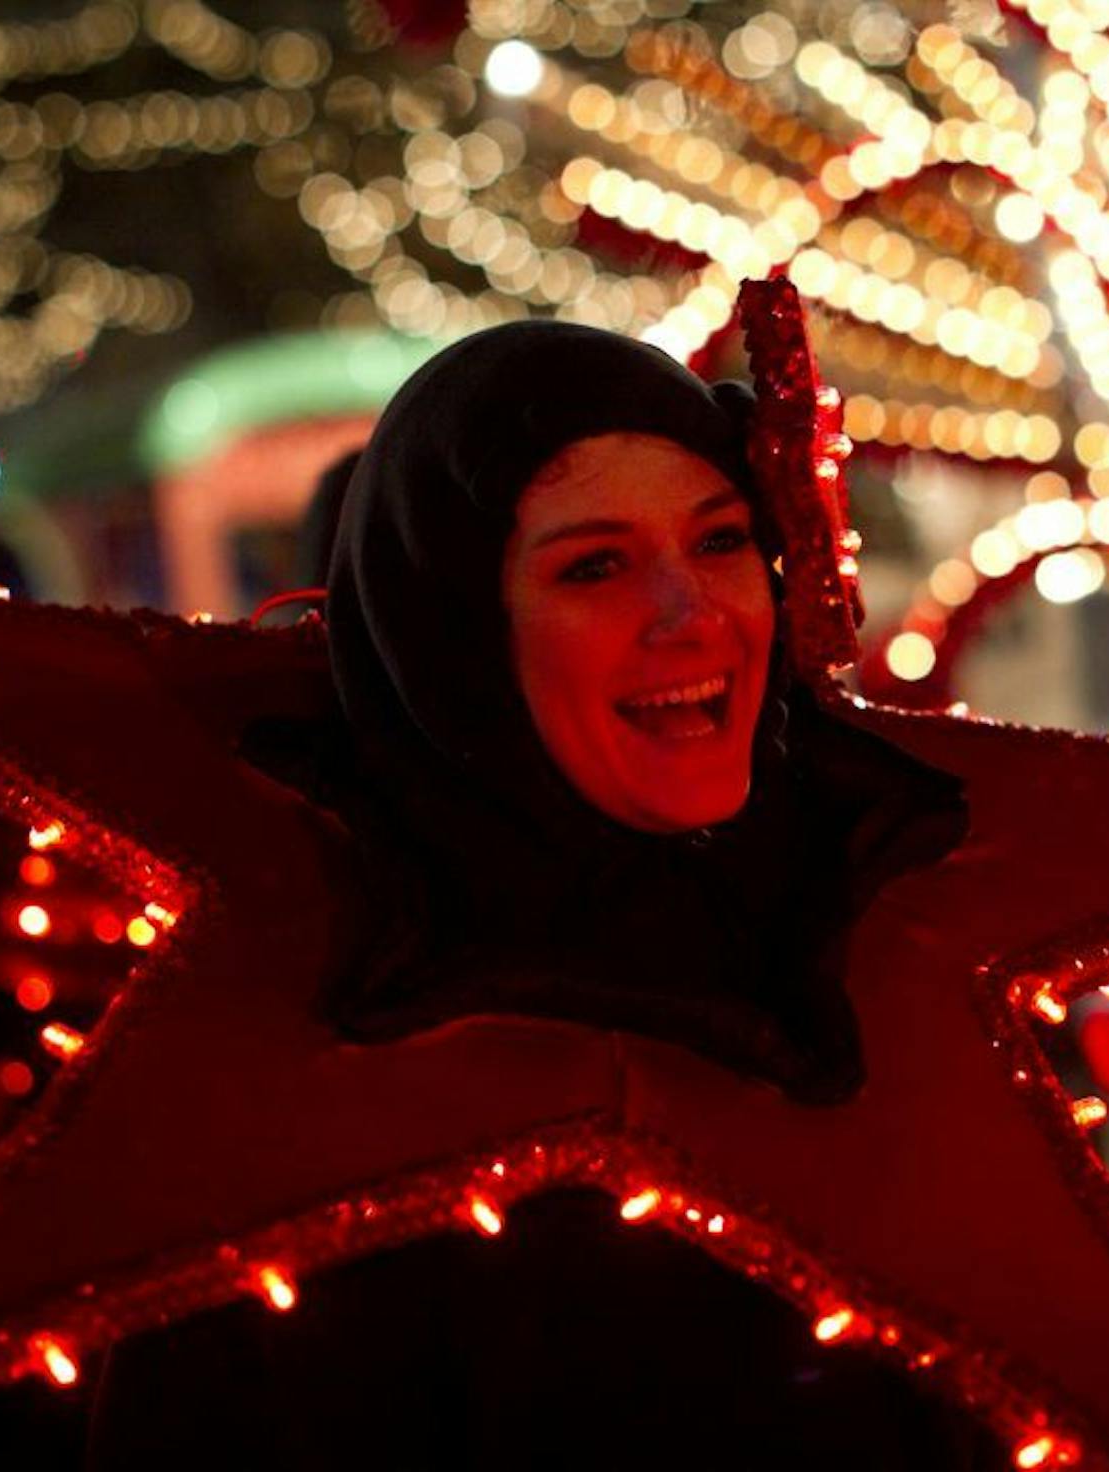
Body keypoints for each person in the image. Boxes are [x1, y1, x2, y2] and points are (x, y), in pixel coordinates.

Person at [91, 320, 1012, 1467]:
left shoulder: (873, 918)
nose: (692, 614)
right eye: (593, 566)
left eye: (721, 540)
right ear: (456, 633)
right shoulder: (301, 1069)